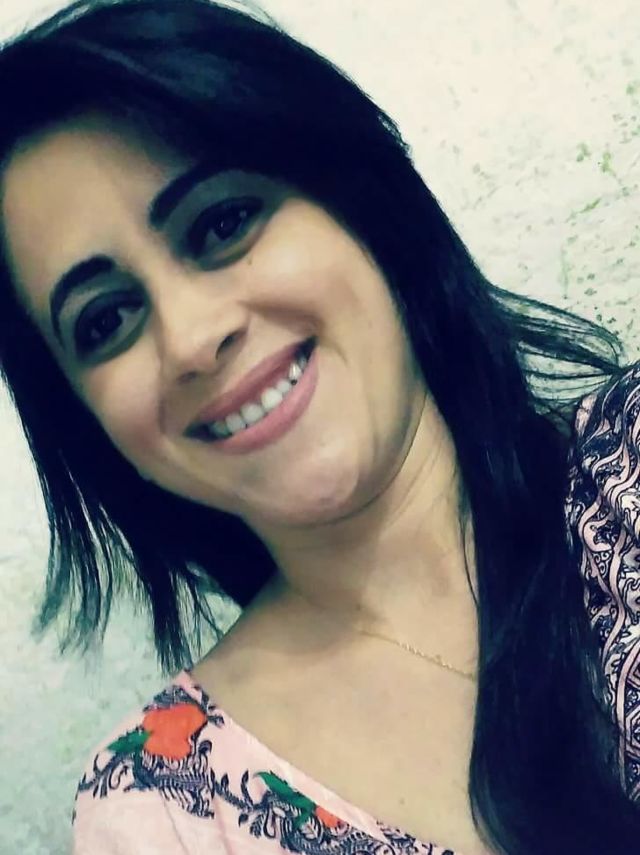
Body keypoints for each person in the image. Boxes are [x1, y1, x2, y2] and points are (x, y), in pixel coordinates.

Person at [0, 0, 639, 852]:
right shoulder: (167, 814)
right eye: (105, 319)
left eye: (222, 222)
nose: (190, 339)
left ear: (362, 207)